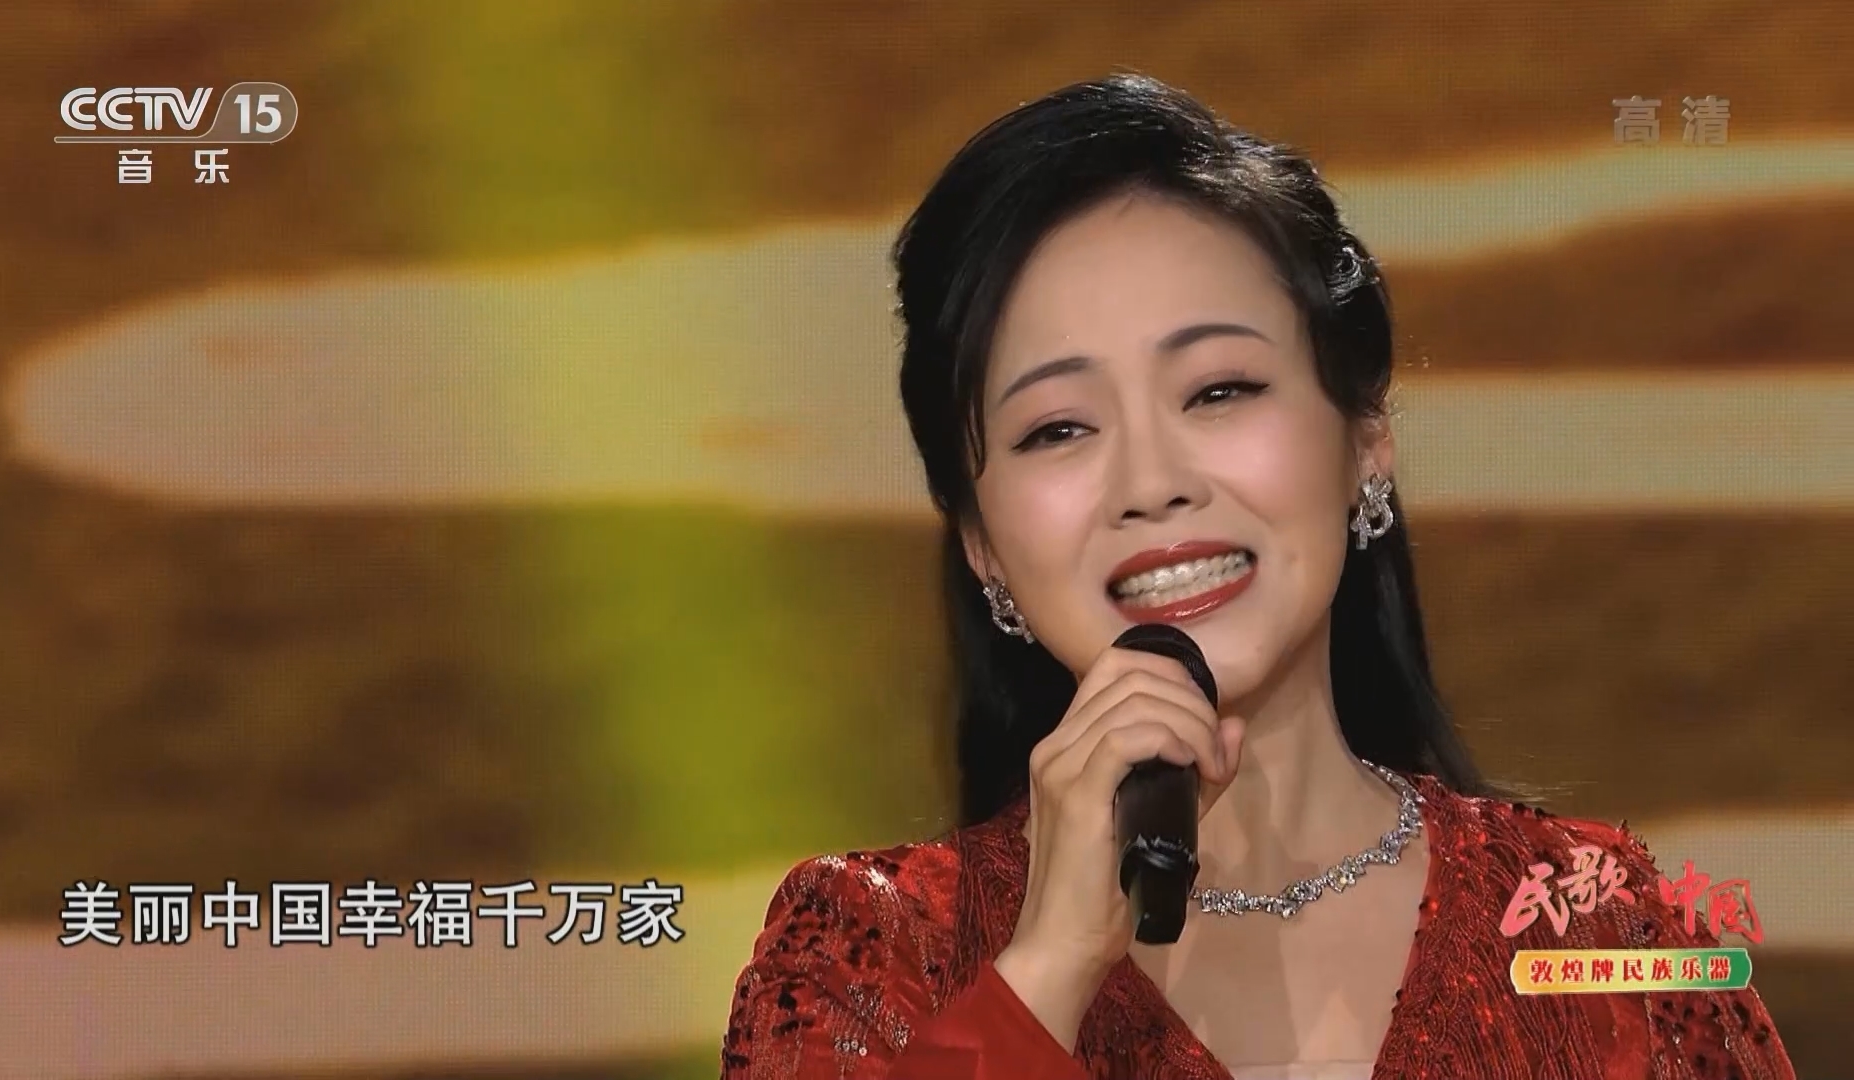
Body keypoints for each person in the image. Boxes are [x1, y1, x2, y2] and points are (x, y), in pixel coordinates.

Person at [719, 73, 1794, 1080]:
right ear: (981, 541)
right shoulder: (869, 958)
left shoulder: (1608, 935)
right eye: (1058, 428)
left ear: (1364, 431)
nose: (1151, 483)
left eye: (1219, 390)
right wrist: (1047, 968)